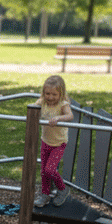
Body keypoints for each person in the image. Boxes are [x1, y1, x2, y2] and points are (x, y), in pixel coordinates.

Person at [33, 75, 74, 208]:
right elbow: (32, 108)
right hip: (46, 141)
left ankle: (62, 189)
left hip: (59, 143)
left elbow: (70, 116)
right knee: (44, 171)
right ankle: (45, 194)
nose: (50, 97)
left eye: (54, 94)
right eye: (47, 93)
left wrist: (58, 118)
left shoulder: (63, 104)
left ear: (61, 94)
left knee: (50, 170)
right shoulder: (42, 102)